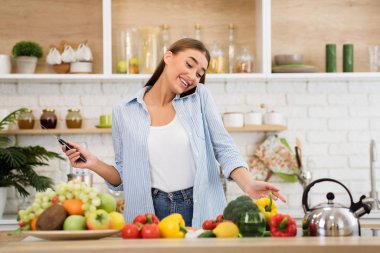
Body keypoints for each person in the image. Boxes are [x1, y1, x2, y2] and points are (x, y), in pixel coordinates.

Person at [63, 38, 286, 228]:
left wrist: (248, 184)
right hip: (149, 211)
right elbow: (124, 176)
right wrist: (93, 163)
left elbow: (224, 148)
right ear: (168, 57)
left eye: (200, 73)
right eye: (190, 65)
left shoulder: (199, 98)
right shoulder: (124, 111)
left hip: (199, 206)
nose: (193, 76)